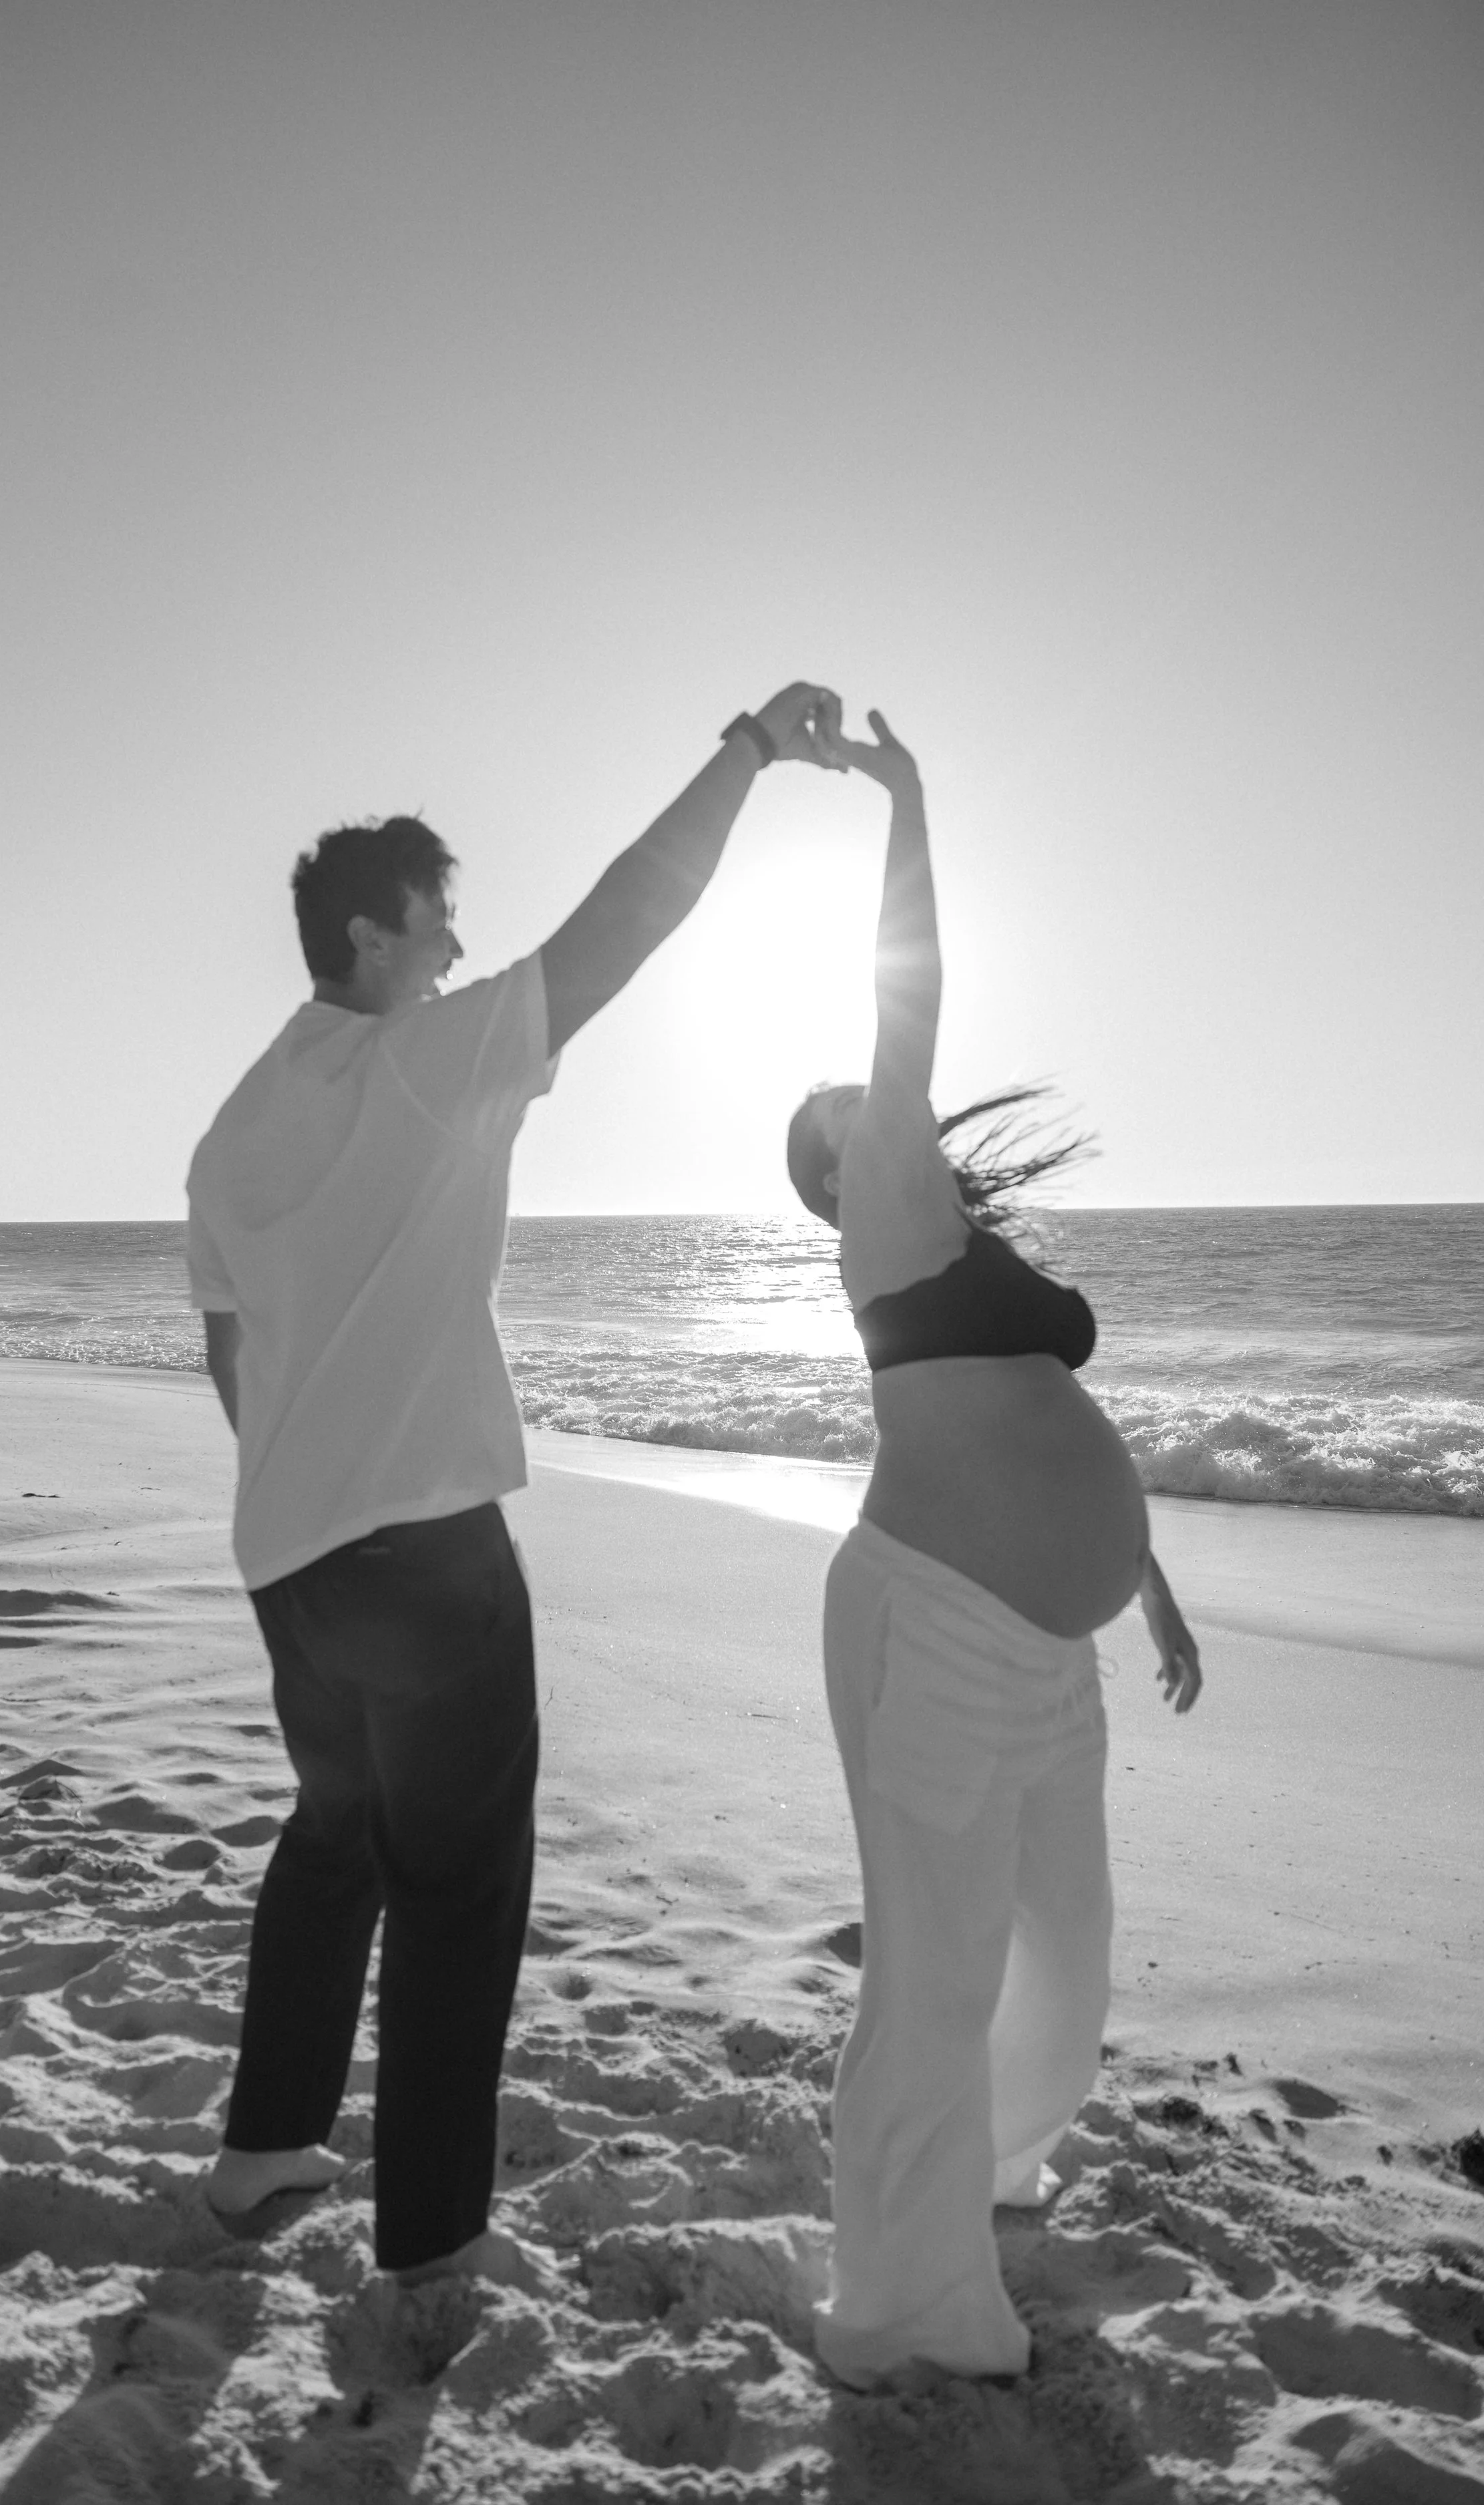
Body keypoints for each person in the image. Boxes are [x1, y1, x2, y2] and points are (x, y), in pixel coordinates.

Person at [185, 684, 842, 2280]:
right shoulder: (416, 1064)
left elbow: (229, 1358)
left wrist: (313, 1481)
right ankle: (427, 2237)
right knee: (459, 1887)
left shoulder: (228, 1131)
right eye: (434, 930)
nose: (456, 958)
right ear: (365, 940)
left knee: (334, 1836)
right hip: (421, 1553)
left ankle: (266, 2148)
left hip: (294, 1557)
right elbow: (624, 921)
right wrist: (745, 752)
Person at [785, 703, 1201, 2384]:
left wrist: (1145, 1582)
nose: (873, 1104)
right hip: (935, 1629)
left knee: (1066, 1948)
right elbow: (911, 997)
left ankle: (992, 2180)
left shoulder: (958, 1243)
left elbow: (1043, 1408)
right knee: (936, 1972)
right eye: (846, 1110)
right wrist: (906, 802)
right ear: (836, 1173)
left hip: (1046, 1644)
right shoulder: (883, 1215)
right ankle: (895, 2311)